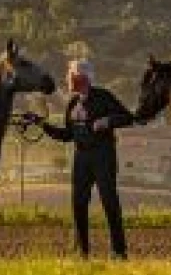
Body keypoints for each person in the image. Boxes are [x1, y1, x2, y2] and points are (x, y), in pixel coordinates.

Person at [33, 58, 134, 259]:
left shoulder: (104, 97)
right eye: (69, 75)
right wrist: (41, 124)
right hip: (81, 157)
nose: (68, 79)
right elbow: (67, 135)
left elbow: (128, 118)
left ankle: (119, 251)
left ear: (83, 78)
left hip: (103, 155)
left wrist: (108, 121)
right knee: (78, 204)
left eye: (71, 76)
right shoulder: (72, 103)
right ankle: (83, 252)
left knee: (110, 203)